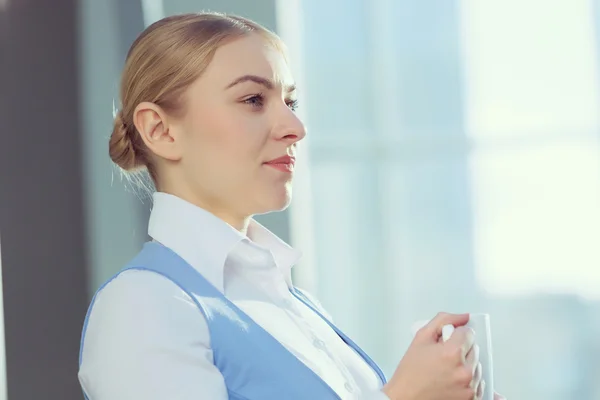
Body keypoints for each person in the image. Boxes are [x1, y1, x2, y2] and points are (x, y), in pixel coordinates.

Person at [78, 12, 505, 400]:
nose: (295, 128)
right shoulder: (142, 306)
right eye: (252, 100)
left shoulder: (294, 304)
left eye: (291, 102)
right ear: (160, 130)